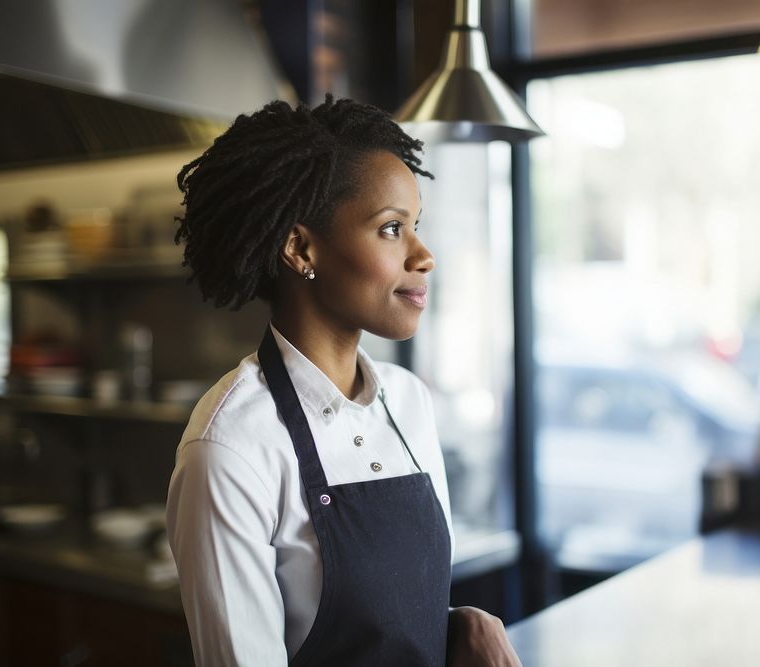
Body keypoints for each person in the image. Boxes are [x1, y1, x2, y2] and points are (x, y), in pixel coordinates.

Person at [165, 95, 522, 667]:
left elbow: (397, 616)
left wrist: (461, 625)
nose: (424, 255)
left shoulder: (408, 402)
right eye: (391, 229)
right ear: (300, 247)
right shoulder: (231, 447)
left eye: (416, 226)